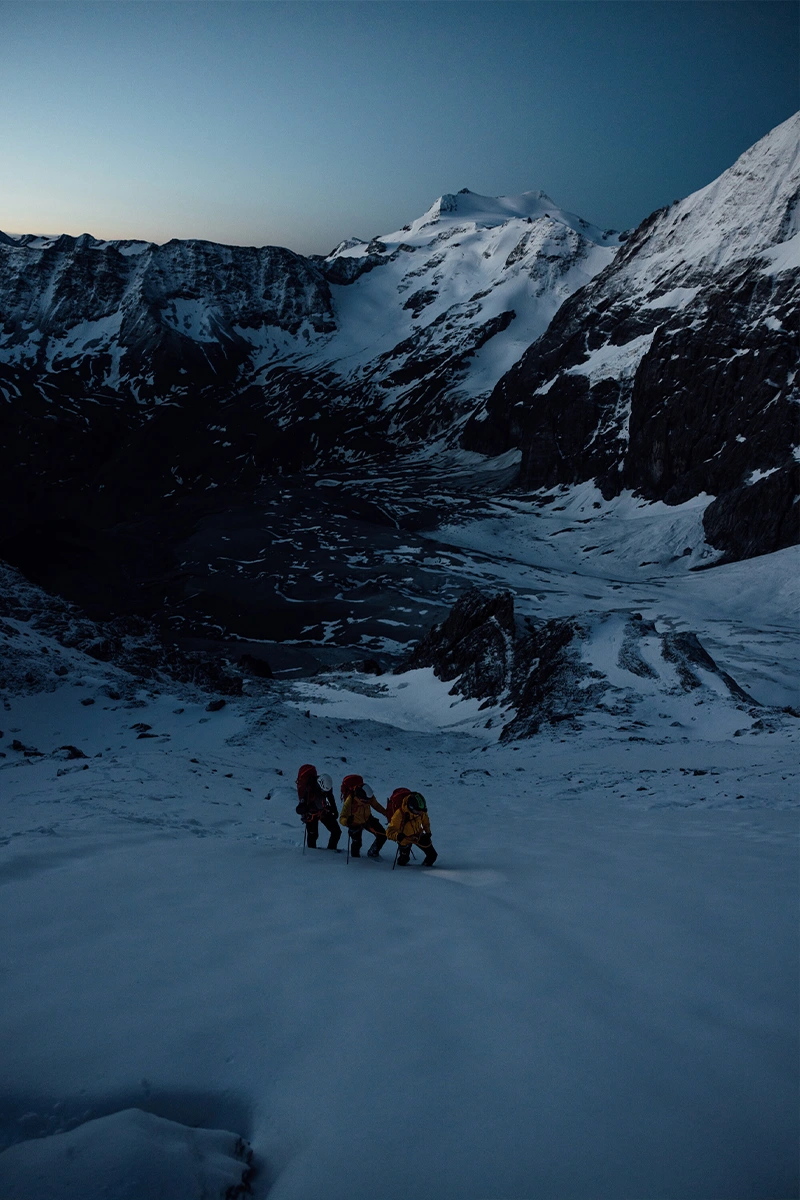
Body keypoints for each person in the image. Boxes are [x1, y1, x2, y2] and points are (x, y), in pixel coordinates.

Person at [339, 773, 388, 858]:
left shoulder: (368, 796)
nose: (368, 802)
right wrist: (347, 821)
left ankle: (373, 853)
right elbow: (342, 817)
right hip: (354, 823)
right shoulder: (350, 800)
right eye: (365, 801)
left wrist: (386, 813)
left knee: (382, 835)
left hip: (368, 819)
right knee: (357, 843)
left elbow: (376, 805)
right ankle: (355, 860)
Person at [296, 764, 341, 850]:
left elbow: (330, 796)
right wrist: (304, 809)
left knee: (336, 831)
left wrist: (334, 810)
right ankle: (315, 854)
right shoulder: (308, 789)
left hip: (322, 811)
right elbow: (300, 807)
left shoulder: (324, 786)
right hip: (312, 813)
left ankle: (318, 854)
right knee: (314, 835)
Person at [386, 791, 437, 866]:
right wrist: (398, 836)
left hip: (418, 835)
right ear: (411, 807)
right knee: (403, 860)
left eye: (421, 811)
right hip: (405, 839)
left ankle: (425, 869)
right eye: (418, 811)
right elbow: (389, 832)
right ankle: (403, 873)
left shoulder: (421, 810)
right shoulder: (399, 814)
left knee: (432, 856)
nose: (420, 813)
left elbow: (425, 821)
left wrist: (428, 832)